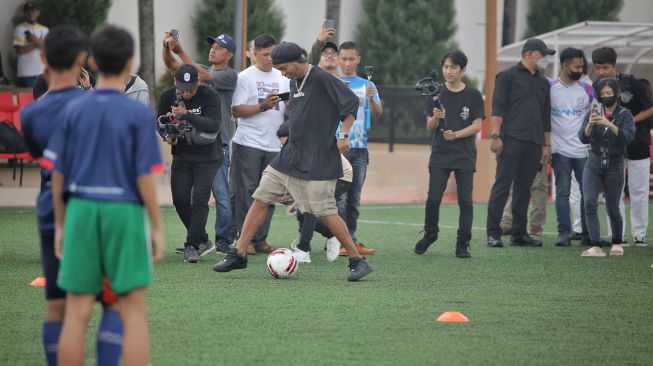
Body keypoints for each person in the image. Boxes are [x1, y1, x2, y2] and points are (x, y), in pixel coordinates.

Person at [46, 25, 165, 365]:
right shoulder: (139, 114)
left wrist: (60, 223)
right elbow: (145, 177)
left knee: (77, 312)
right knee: (133, 311)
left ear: (92, 61)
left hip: (81, 210)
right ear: (130, 62)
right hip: (124, 213)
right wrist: (156, 226)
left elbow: (58, 174)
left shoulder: (72, 108)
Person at [213, 42, 373, 281]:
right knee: (260, 198)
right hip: (289, 156)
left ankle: (356, 261)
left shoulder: (320, 77)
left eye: (284, 67)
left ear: (298, 61)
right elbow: (305, 100)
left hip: (318, 159)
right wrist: (286, 97)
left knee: (326, 212)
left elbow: (350, 103)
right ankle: (239, 254)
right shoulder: (294, 80)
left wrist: (343, 133)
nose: (282, 72)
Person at [20, 24, 125, 366]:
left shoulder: (32, 113)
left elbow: (40, 156)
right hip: (98, 210)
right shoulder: (98, 105)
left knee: (56, 306)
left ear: (42, 59)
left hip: (53, 211)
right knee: (112, 301)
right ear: (83, 59)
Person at [162, 31, 239, 254]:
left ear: (230, 54)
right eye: (212, 45)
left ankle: (224, 241)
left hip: (218, 142)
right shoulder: (199, 70)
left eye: (219, 46)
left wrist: (181, 50)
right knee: (189, 198)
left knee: (220, 196)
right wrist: (167, 46)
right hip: (189, 145)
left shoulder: (229, 75)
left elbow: (202, 77)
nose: (213, 48)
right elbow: (173, 65)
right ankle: (200, 238)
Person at [413, 50, 484, 258]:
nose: (448, 71)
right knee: (433, 198)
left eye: (453, 67)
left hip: (464, 154)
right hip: (440, 153)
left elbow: (477, 125)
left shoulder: (472, 95)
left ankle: (463, 242)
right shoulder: (435, 92)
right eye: (445, 66)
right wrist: (436, 117)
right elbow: (429, 126)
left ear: (462, 70)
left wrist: (457, 135)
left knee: (466, 201)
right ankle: (430, 233)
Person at [486, 38, 553, 248]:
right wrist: (495, 136)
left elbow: (545, 116)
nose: (545, 60)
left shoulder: (543, 82)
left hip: (534, 143)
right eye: (542, 55)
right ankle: (493, 233)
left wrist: (546, 145)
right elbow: (497, 108)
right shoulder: (507, 76)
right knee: (502, 186)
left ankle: (519, 234)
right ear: (529, 53)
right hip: (511, 140)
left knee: (525, 188)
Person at [230, 33, 289, 254]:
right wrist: (263, 106)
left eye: (271, 54)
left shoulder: (283, 76)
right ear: (253, 54)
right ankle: (246, 241)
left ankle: (261, 240)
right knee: (247, 193)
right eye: (264, 55)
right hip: (249, 143)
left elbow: (288, 110)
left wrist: (290, 104)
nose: (269, 59)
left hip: (274, 145)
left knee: (270, 194)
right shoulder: (245, 77)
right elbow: (236, 110)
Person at [157, 64, 222, 263]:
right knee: (180, 199)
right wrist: (167, 135)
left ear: (198, 82)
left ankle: (192, 245)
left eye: (191, 88)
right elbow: (159, 122)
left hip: (208, 157)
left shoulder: (209, 95)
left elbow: (213, 124)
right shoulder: (167, 97)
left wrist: (187, 115)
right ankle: (202, 238)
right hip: (182, 155)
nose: (186, 92)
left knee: (200, 200)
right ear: (175, 82)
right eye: (182, 88)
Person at [592, 47, 653, 247]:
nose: (601, 72)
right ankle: (616, 235)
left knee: (639, 192)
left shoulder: (632, 82)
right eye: (597, 67)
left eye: (605, 67)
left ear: (614, 66)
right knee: (613, 193)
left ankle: (639, 235)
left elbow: (650, 108)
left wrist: (630, 120)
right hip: (612, 149)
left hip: (638, 146)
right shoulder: (595, 87)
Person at [335, 41, 382, 255]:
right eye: (343, 58)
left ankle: (350, 241)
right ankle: (341, 242)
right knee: (341, 199)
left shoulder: (367, 84)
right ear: (337, 59)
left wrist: (372, 99)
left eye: (351, 58)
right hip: (337, 148)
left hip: (361, 149)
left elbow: (379, 112)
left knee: (354, 199)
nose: (347, 63)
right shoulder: (331, 82)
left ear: (358, 60)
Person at [579, 78, 635, 256]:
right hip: (594, 160)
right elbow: (582, 137)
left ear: (616, 95)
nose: (605, 97)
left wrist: (608, 124)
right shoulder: (593, 112)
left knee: (612, 205)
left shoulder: (625, 114)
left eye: (609, 94)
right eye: (602, 94)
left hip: (615, 162)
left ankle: (617, 241)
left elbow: (627, 137)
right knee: (589, 202)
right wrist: (590, 124)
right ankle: (596, 245)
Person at [549, 47, 594, 246]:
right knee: (563, 192)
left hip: (583, 152)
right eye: (577, 66)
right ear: (565, 66)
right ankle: (564, 233)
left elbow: (596, 115)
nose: (580, 70)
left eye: (582, 66)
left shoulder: (587, 89)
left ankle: (587, 232)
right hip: (559, 152)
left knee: (587, 192)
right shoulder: (550, 88)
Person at [13, 1, 49, 87]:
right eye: (28, 11)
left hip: (42, 72)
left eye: (33, 11)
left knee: (42, 99)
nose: (31, 13)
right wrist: (39, 42)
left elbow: (47, 48)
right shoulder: (19, 29)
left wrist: (33, 40)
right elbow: (21, 50)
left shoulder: (45, 29)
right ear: (24, 13)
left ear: (38, 12)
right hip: (26, 73)